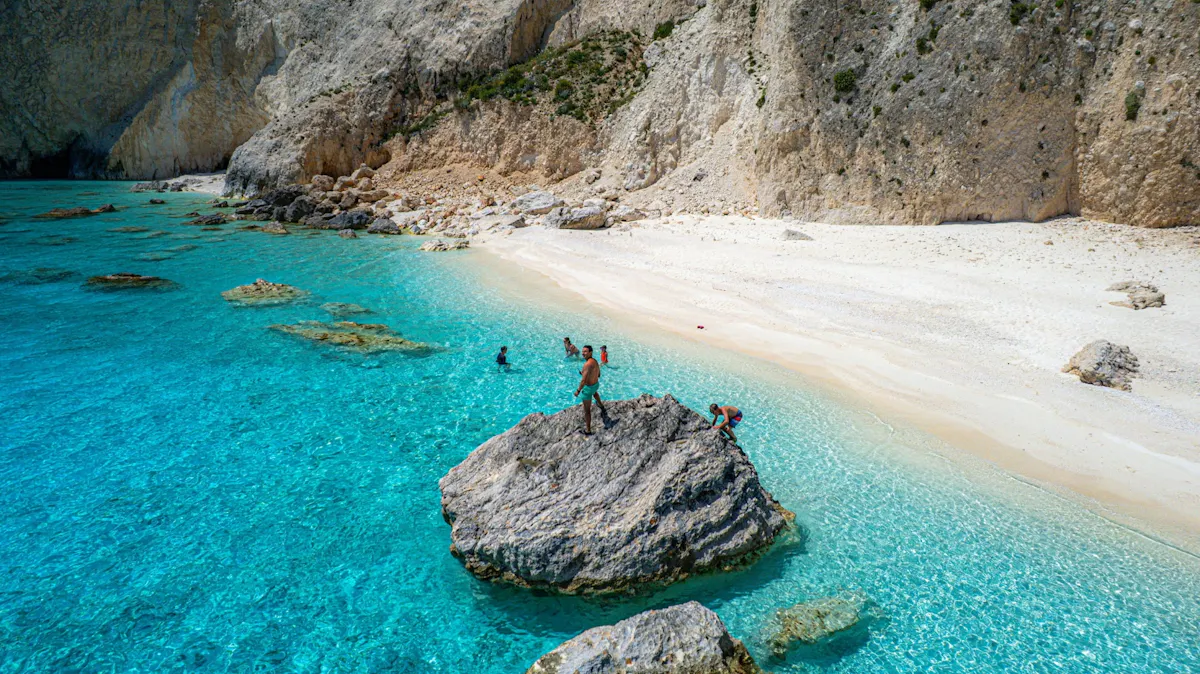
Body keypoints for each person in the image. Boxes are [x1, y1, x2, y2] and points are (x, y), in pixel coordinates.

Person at [574, 345, 606, 434]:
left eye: (585, 351)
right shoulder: (594, 361)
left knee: (587, 411)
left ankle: (588, 430)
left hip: (588, 389)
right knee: (595, 393)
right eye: (582, 351)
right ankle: (601, 405)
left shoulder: (587, 364)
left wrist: (578, 391)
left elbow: (583, 380)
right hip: (595, 385)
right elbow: (598, 374)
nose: (583, 353)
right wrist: (585, 373)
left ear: (590, 352)